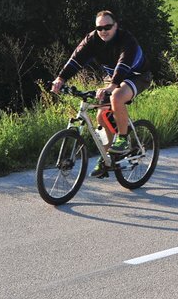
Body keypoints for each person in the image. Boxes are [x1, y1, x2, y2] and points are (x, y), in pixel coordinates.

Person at [51, 10, 152, 177]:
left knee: (116, 97)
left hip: (137, 75)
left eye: (107, 27)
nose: (103, 31)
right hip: (113, 77)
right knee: (101, 116)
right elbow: (76, 59)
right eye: (99, 28)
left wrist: (112, 86)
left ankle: (122, 138)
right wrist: (61, 78)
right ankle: (108, 158)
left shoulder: (126, 39)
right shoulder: (92, 39)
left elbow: (123, 64)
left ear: (115, 26)